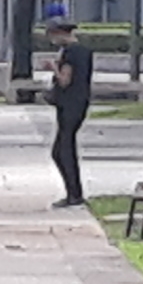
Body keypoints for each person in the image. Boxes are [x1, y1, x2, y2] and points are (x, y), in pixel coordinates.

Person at [42, 12, 93, 208]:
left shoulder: (70, 53)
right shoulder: (84, 51)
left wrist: (53, 67)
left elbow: (64, 80)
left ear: (59, 33)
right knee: (63, 149)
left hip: (70, 104)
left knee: (63, 150)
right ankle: (73, 192)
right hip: (79, 102)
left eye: (52, 35)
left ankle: (74, 194)